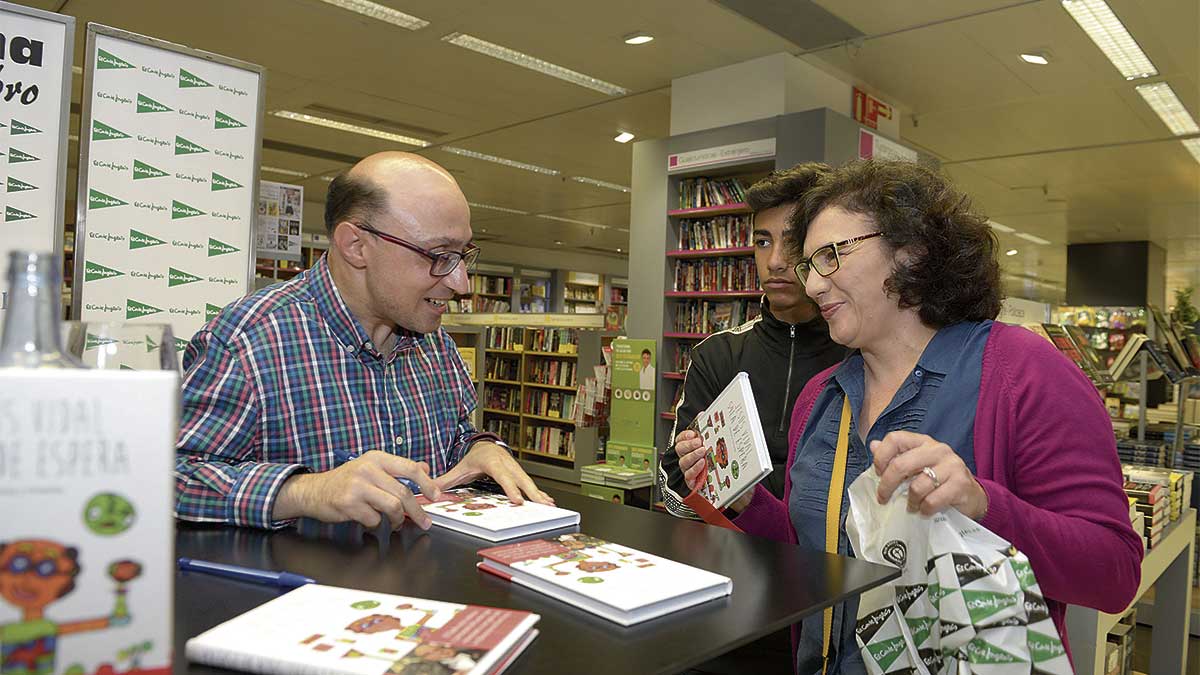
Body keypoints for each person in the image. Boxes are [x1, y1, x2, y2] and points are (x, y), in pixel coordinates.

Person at [673, 160, 1142, 672]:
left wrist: (982, 505)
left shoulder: (1024, 374)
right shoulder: (822, 396)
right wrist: (747, 502)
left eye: (830, 256)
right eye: (810, 266)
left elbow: (1113, 572)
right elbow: (816, 555)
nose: (814, 286)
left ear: (912, 251)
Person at [175, 152, 553, 531]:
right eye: (438, 255)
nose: (461, 283)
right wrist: (306, 491)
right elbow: (173, 478)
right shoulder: (248, 341)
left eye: (463, 255)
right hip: (306, 586)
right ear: (355, 246)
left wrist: (479, 447)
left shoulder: (435, 343)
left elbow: (453, 436)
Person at [659, 164, 846, 519]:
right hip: (729, 557)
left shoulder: (857, 355)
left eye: (791, 242)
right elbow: (671, 496)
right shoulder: (717, 354)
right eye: (762, 242)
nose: (775, 261)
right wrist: (688, 472)